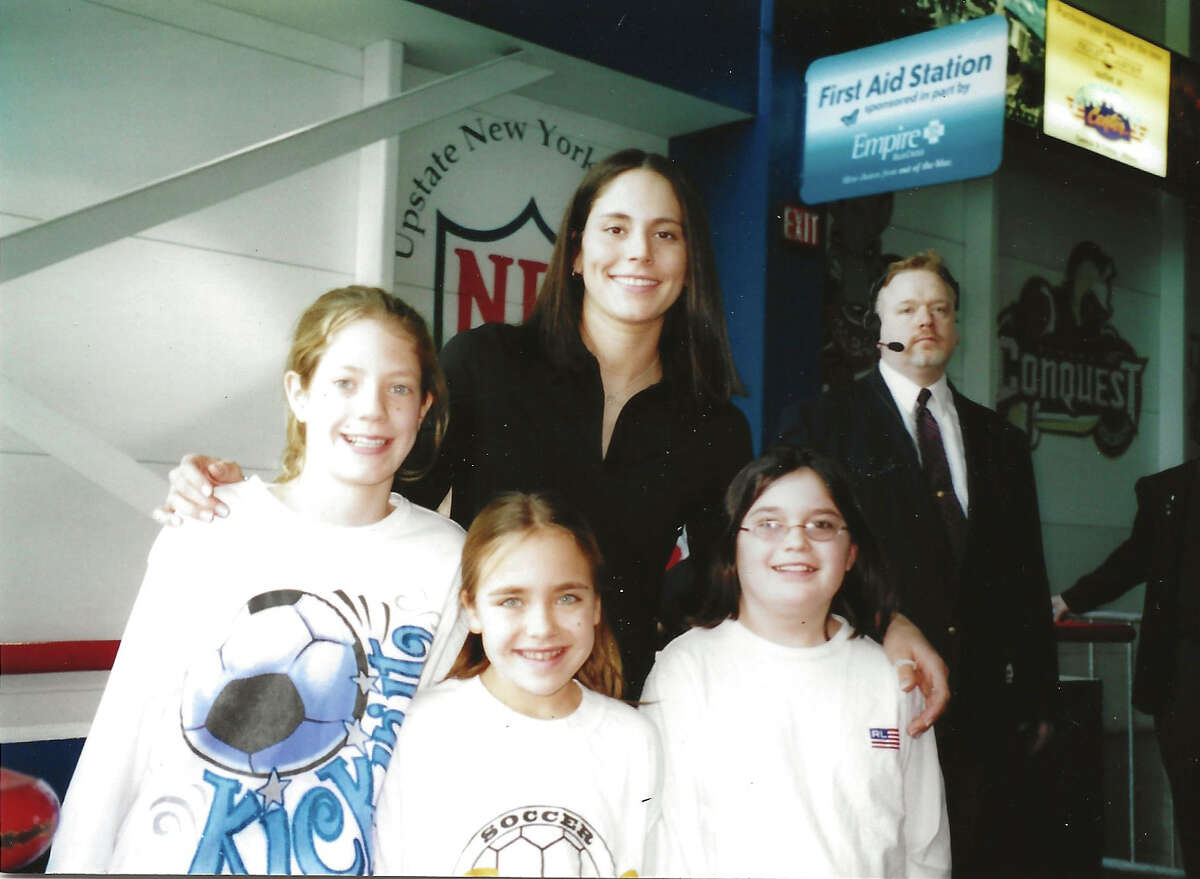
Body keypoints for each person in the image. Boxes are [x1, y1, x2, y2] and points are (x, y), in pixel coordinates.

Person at [155, 150, 949, 718]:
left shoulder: (712, 423)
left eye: (665, 233)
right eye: (614, 229)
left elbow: (734, 576)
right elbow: (380, 502)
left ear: (688, 262)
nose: (637, 251)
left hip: (619, 708)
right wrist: (255, 499)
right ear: (576, 252)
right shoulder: (488, 361)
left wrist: (889, 618)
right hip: (463, 697)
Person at [47, 287, 466, 875]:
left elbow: (427, 767)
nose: (372, 409)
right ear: (298, 394)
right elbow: (125, 729)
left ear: (422, 409)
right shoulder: (213, 523)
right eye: (344, 382)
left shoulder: (446, 558)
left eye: (398, 388)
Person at [778, 249, 1057, 875]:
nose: (925, 320)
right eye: (906, 309)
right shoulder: (820, 425)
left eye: (940, 309)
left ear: (957, 328)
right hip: (870, 692)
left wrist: (1040, 696)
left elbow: (1026, 574)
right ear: (880, 329)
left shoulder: (1002, 442)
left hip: (981, 711)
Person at [641, 445, 950, 878]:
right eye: (768, 524)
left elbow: (925, 846)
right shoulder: (687, 670)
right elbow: (665, 844)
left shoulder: (891, 676)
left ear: (851, 554)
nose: (796, 541)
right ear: (732, 548)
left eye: (822, 524)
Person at [372, 491, 659, 877]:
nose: (542, 627)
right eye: (511, 601)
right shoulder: (422, 729)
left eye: (567, 597)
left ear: (596, 606)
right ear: (471, 609)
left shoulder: (632, 741)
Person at [1052, 458, 1199, 877]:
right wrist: (1072, 599)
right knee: (1193, 808)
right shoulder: (1169, 491)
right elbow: (1133, 560)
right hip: (1184, 680)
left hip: (1183, 686)